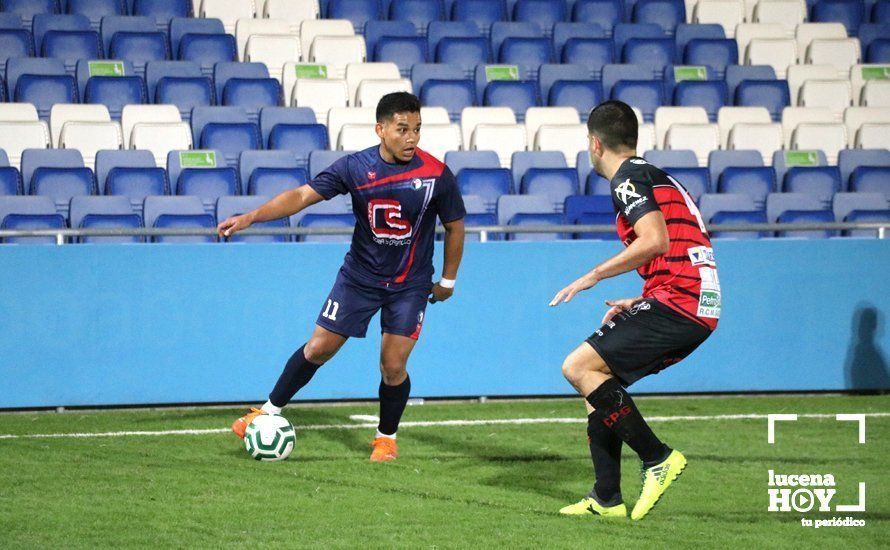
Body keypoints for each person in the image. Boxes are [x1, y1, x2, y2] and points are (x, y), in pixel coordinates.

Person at [219, 92, 466, 462]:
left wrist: (447, 281)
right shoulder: (355, 167)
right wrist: (251, 217)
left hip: (409, 285)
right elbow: (302, 195)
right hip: (359, 278)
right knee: (319, 348)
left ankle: (386, 438)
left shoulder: (435, 174)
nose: (411, 138)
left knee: (393, 364)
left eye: (417, 129)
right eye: (402, 129)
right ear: (380, 129)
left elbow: (456, 226)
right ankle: (267, 411)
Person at [549, 100, 721, 520]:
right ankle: (606, 497)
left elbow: (655, 240)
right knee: (597, 387)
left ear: (594, 143)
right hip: (689, 298)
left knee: (577, 367)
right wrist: (643, 298)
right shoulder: (656, 175)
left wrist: (594, 275)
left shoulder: (626, 178)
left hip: (682, 300)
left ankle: (657, 458)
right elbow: (678, 245)